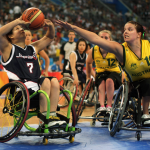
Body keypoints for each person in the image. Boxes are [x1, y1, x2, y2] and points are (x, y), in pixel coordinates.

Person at [55, 19, 150, 125]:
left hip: (144, 82)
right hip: (132, 86)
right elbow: (95, 38)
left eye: (130, 29)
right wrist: (73, 28)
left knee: (147, 81)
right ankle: (105, 106)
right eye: (124, 30)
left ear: (139, 34)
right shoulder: (120, 49)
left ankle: (145, 113)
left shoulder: (148, 46)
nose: (125, 32)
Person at [0, 16, 66, 128]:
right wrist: (17, 21)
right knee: (45, 82)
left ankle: (52, 116)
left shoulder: (33, 48)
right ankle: (45, 118)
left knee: (54, 81)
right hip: (21, 93)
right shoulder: (8, 49)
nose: (21, 29)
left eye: (20, 27)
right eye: (16, 29)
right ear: (10, 36)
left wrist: (50, 26)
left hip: (37, 88)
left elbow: (50, 37)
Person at [86, 30, 122, 113]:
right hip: (101, 73)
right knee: (101, 82)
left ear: (110, 40)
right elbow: (88, 62)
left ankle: (109, 106)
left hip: (114, 72)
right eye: (101, 37)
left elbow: (123, 62)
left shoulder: (115, 49)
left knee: (109, 80)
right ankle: (102, 106)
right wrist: (88, 76)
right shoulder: (93, 50)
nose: (103, 39)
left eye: (106, 37)